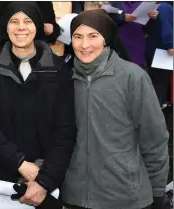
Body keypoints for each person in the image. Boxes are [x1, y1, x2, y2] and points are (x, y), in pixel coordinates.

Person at [0, 2, 76, 208]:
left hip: (46, 184)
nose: (21, 27)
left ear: (37, 25)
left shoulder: (58, 70)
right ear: (5, 27)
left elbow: (66, 129)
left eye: (27, 21)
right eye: (14, 21)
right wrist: (19, 163)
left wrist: (44, 179)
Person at [61, 9, 169, 209]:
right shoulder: (64, 79)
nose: (84, 45)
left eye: (93, 36)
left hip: (125, 197)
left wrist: (157, 191)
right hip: (74, 196)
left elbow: (154, 139)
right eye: (78, 37)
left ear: (106, 39)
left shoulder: (132, 78)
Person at [145, 3, 173, 106]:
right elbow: (167, 28)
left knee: (155, 80)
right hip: (163, 51)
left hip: (151, 49)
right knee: (161, 81)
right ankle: (160, 105)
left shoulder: (151, 8)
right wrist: (171, 44)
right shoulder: (164, 7)